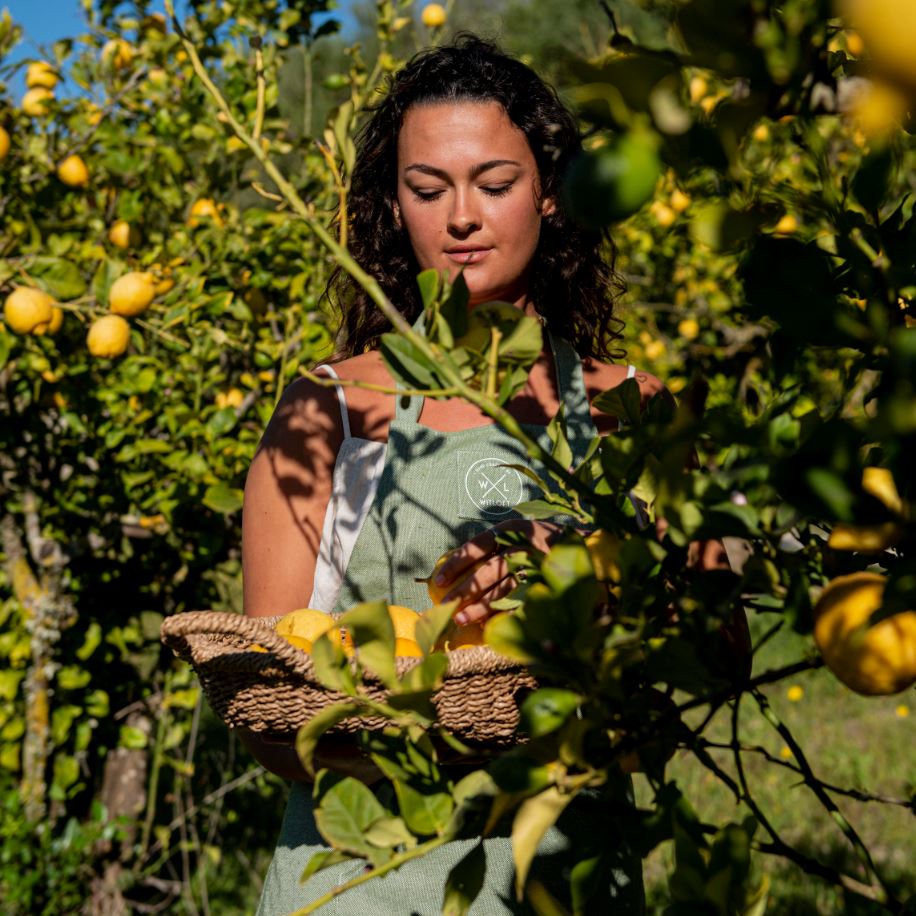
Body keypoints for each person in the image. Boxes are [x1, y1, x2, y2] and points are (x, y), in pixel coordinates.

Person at [241, 34, 661, 914]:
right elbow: (277, 723)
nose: (461, 217)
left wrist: (581, 600)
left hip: (570, 878)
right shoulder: (329, 410)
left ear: (551, 194)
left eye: (495, 185)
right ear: (394, 208)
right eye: (427, 190)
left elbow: (712, 663)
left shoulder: (630, 408)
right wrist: (440, 659)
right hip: (360, 886)